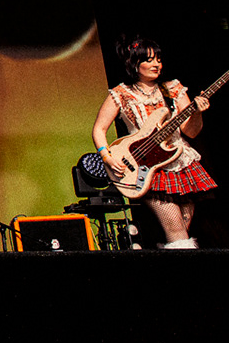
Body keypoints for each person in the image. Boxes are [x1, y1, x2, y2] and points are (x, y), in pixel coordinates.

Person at [92, 36, 214, 249]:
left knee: (184, 226)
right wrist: (107, 157)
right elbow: (99, 129)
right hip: (145, 166)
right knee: (176, 230)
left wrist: (197, 113)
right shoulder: (121, 94)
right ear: (134, 64)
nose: (157, 64)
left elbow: (191, 132)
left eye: (158, 59)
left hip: (179, 162)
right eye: (149, 60)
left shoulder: (173, 89)